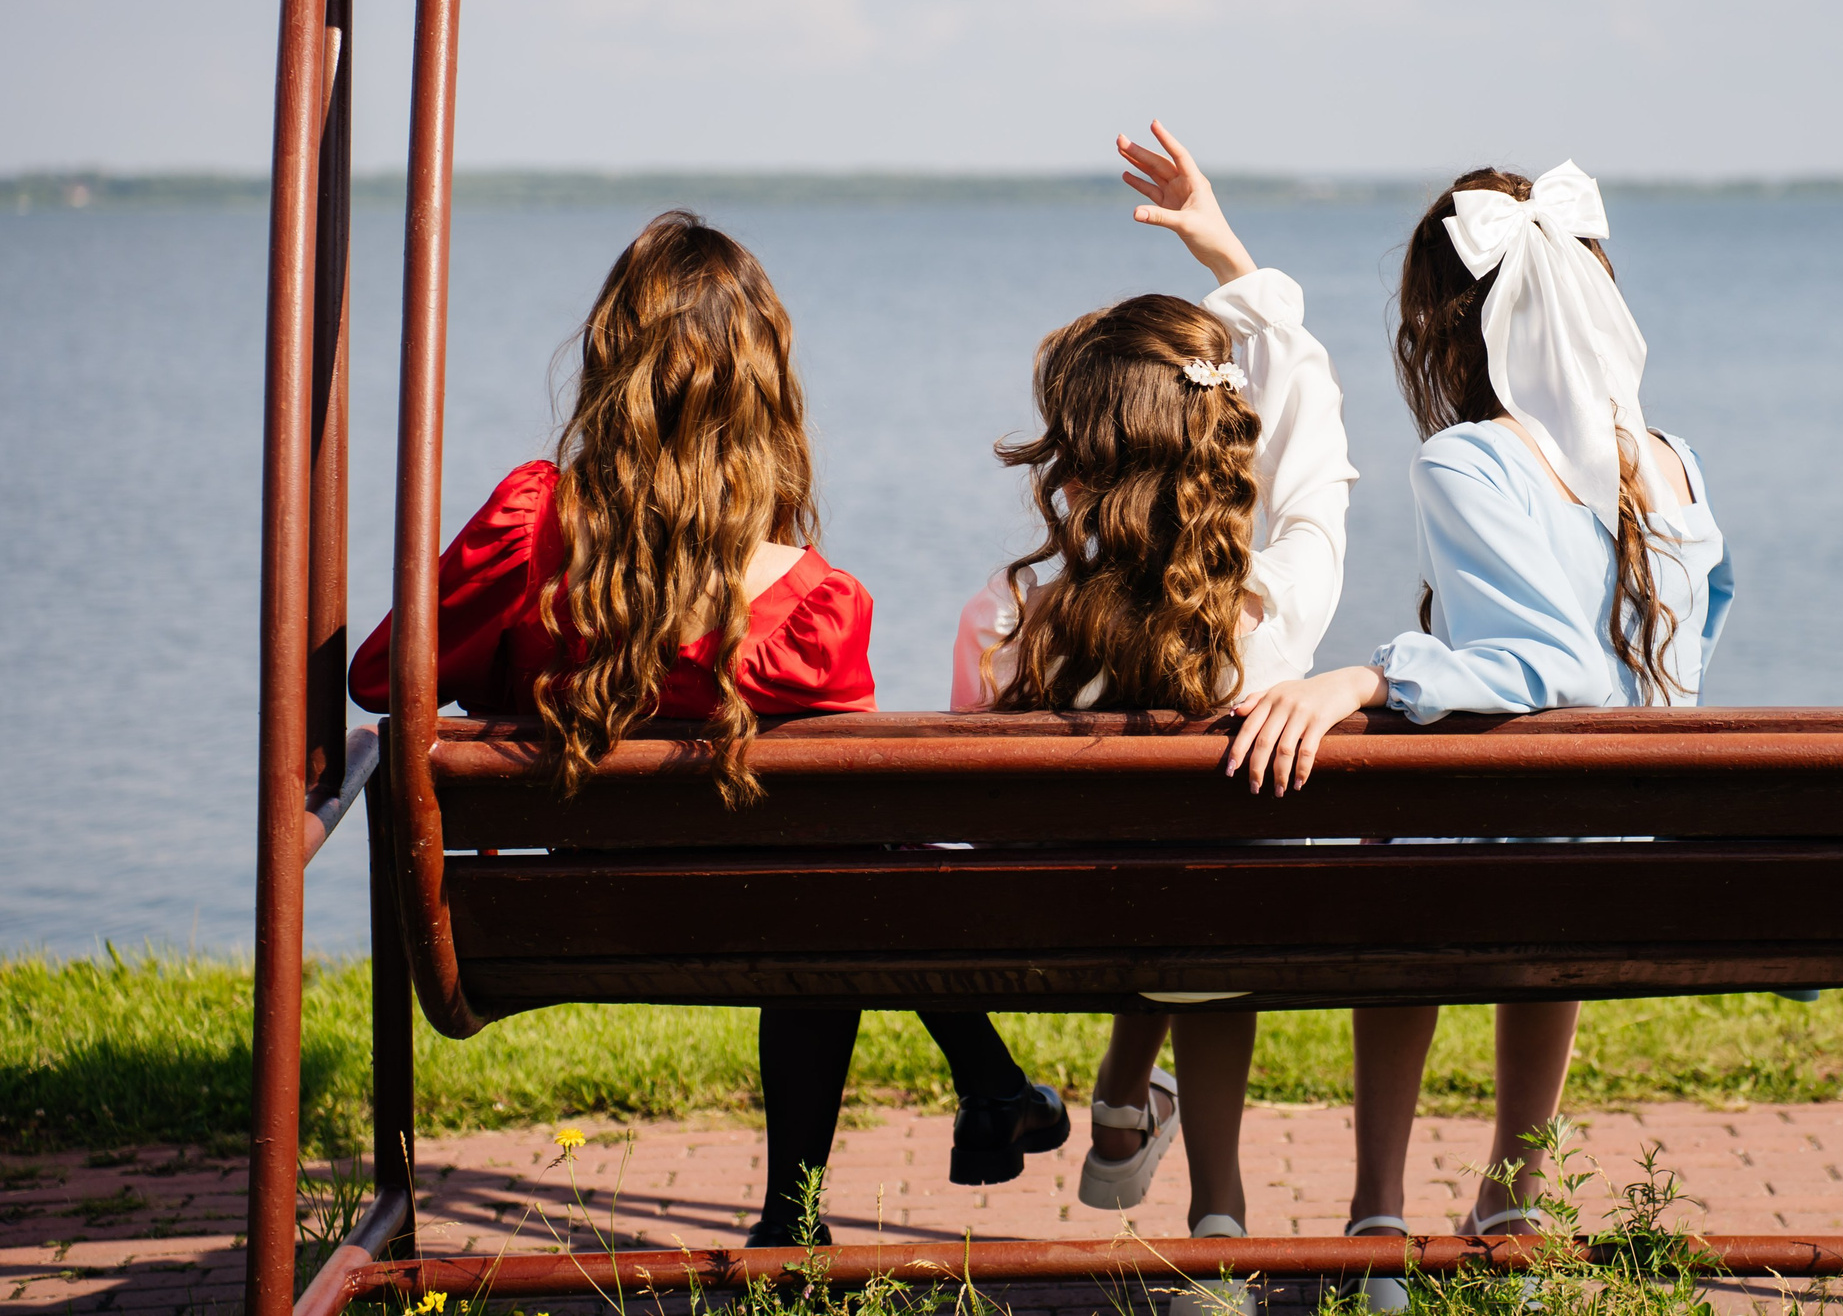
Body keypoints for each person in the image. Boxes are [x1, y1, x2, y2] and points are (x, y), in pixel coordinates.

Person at [347, 210, 1066, 1249]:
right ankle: (806, 1203)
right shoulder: (819, 607)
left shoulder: (529, 523)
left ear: (611, 368)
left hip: (557, 922)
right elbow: (841, 812)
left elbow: (383, 675)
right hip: (766, 921)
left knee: (833, 867)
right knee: (838, 868)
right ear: (765, 394)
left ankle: (984, 1091)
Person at [1223, 162, 1734, 1293]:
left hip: (1506, 862)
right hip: (1626, 865)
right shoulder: (1676, 463)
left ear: (1446, 329)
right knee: (1534, 870)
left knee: (1397, 853)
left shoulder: (1466, 458)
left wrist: (1365, 675)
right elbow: (1691, 635)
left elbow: (1542, 667)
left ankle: (1375, 1216)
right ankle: (1511, 1200)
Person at [952, 122, 1356, 1242]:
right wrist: (1235, 265)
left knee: (1171, 895)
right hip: (1226, 933)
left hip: (1055, 936)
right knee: (1209, 904)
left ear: (1071, 469)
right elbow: (1315, 471)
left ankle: (1132, 1101)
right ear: (1225, 449)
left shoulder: (1004, 619)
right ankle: (1216, 1210)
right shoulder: (1270, 617)